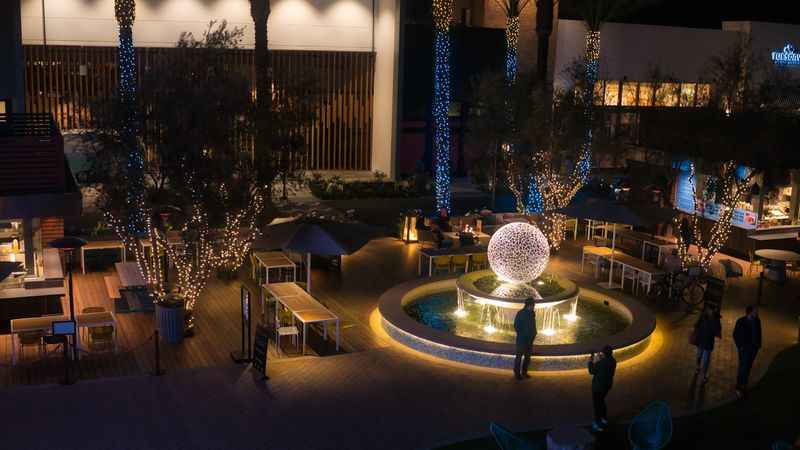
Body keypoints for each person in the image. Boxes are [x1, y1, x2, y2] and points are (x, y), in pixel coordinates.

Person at [733, 305, 762, 397]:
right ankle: (739, 386)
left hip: (754, 348)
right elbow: (735, 334)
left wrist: (758, 345)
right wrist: (740, 346)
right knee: (743, 366)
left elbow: (759, 333)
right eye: (755, 311)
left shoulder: (757, 320)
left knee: (748, 366)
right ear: (750, 312)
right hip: (744, 349)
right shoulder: (741, 321)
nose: (757, 312)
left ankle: (744, 384)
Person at [588, 345, 617, 432]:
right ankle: (604, 419)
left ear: (604, 354)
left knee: (597, 405)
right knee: (602, 401)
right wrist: (601, 356)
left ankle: (597, 424)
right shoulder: (613, 361)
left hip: (598, 387)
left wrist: (590, 360)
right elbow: (604, 363)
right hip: (607, 385)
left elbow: (591, 371)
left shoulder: (600, 363)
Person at [693, 305, 722, 383]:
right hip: (707, 341)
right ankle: (703, 375)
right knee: (705, 359)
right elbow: (718, 330)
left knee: (700, 355)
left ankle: (698, 368)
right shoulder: (715, 318)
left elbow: (696, 325)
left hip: (701, 340)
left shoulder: (703, 315)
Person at [513, 299, 537, 380]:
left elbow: (533, 325)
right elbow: (516, 326)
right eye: (533, 305)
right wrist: (522, 334)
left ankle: (524, 372)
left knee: (527, 357)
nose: (534, 306)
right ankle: (517, 373)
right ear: (529, 305)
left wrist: (534, 333)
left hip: (530, 340)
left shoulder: (532, 313)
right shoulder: (521, 313)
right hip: (522, 340)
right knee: (519, 356)